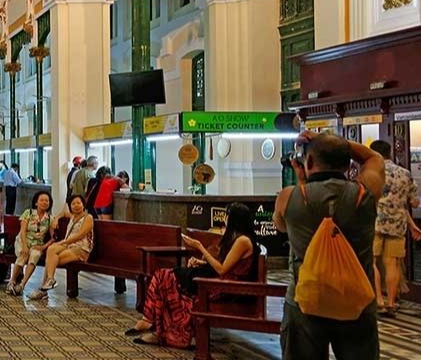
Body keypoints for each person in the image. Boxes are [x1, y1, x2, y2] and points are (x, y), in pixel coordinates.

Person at [273, 131, 384, 360]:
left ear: (309, 161)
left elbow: (282, 226)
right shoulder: (364, 194)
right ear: (348, 162)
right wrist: (336, 143)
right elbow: (375, 159)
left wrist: (302, 182)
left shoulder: (289, 197)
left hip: (305, 302)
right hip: (356, 302)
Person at [128, 202, 257, 347]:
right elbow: (227, 266)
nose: (224, 219)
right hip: (220, 280)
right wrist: (201, 263)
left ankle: (157, 328)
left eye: (227, 215)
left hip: (223, 288)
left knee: (165, 277)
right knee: (164, 275)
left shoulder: (243, 241)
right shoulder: (238, 238)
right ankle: (153, 325)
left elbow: (222, 269)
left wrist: (199, 247)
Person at [369, 139, 418, 316]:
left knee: (372, 261)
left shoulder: (372, 172)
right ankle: (391, 302)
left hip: (374, 223)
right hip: (398, 224)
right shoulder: (405, 174)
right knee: (392, 263)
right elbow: (414, 201)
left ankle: (378, 300)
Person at [36, 194, 94, 294]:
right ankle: (50, 280)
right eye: (73, 204)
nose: (76, 205)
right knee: (51, 250)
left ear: (83, 205)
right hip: (68, 246)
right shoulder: (73, 216)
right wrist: (56, 218)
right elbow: (63, 213)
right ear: (70, 206)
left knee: (51, 260)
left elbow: (80, 235)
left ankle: (43, 290)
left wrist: (63, 242)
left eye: (78, 203)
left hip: (81, 249)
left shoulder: (88, 217)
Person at [6, 190, 54, 298]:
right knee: (24, 254)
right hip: (23, 241)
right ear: (36, 202)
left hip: (37, 244)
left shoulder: (50, 219)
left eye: (47, 201)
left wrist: (43, 247)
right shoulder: (28, 213)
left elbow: (53, 237)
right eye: (41, 200)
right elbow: (23, 231)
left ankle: (22, 284)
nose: (44, 202)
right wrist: (24, 245)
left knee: (35, 255)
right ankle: (12, 281)